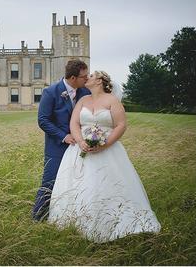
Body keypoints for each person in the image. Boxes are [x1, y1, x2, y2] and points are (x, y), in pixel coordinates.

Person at [47, 71, 161, 242]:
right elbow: (74, 123)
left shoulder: (112, 100)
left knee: (108, 184)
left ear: (99, 81)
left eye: (91, 76)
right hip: (80, 149)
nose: (87, 77)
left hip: (107, 150)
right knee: (77, 184)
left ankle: (113, 221)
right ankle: (76, 222)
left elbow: (121, 125)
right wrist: (80, 141)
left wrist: (104, 144)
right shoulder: (83, 100)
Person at [32, 60, 91, 221]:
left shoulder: (85, 92)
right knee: (50, 181)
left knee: (77, 182)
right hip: (56, 147)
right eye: (84, 77)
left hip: (80, 146)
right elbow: (43, 120)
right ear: (73, 78)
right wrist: (64, 136)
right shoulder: (50, 92)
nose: (87, 79)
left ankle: (71, 216)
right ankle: (38, 218)